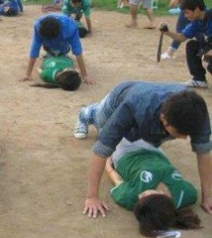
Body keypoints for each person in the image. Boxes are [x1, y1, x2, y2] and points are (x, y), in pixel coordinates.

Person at [73, 81, 212, 219]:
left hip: (151, 110)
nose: (184, 138)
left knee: (143, 136)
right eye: (180, 133)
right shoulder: (132, 107)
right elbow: (101, 151)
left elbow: (204, 152)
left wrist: (207, 197)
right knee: (102, 123)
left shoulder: (196, 111)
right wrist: (92, 197)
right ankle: (87, 113)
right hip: (121, 97)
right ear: (163, 119)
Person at [105, 139, 201, 237]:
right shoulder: (184, 194)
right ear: (161, 197)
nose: (139, 195)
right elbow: (193, 193)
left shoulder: (131, 197)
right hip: (156, 151)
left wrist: (107, 165)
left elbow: (118, 181)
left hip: (126, 153)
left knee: (120, 126)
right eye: (145, 196)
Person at [21, 14, 93, 84]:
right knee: (50, 52)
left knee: (62, 51)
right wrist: (28, 74)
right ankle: (50, 50)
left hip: (63, 43)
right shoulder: (38, 26)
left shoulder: (70, 27)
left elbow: (77, 50)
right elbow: (35, 48)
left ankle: (62, 50)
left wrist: (85, 75)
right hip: (48, 44)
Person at [159, 0, 212, 88]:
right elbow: (182, 37)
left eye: (187, 12)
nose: (185, 15)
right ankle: (199, 79)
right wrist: (167, 32)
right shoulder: (196, 21)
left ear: (196, 9)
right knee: (192, 45)